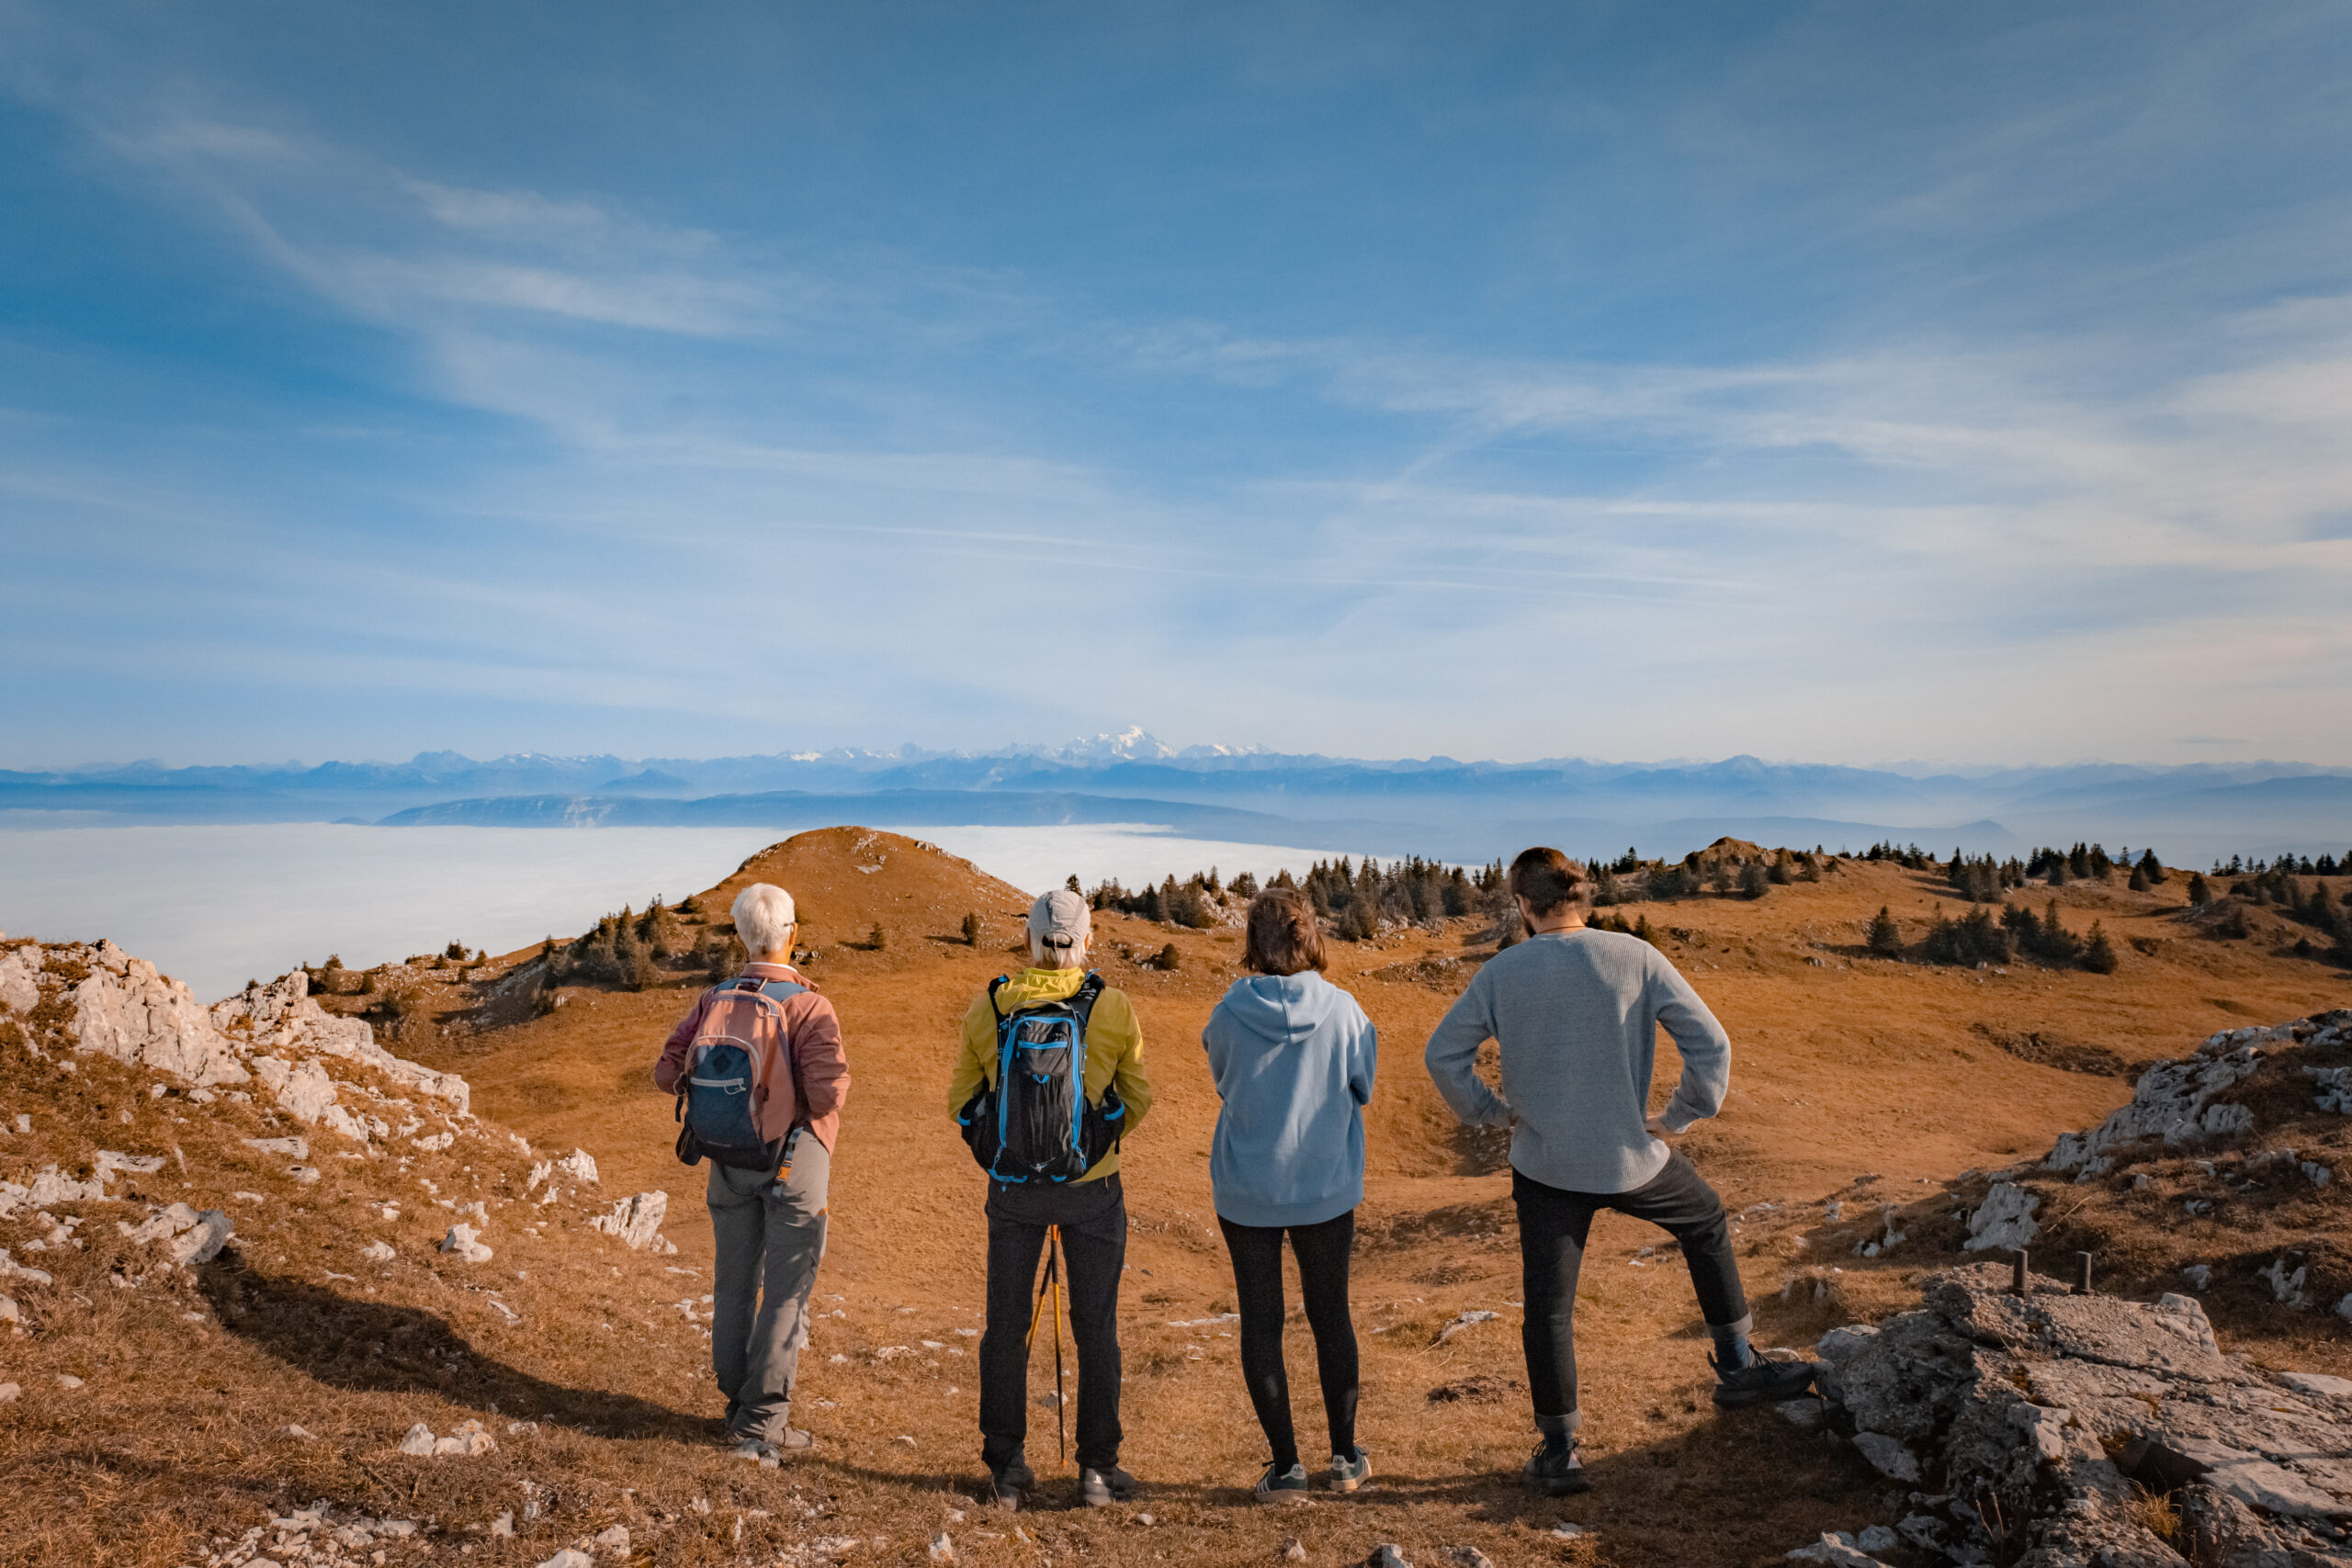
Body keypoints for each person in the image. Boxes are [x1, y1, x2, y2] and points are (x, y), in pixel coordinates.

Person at [1423, 848, 1811, 1496]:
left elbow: (1444, 1055)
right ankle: (1738, 1367)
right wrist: (1680, 1115)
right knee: (1706, 1218)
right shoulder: (1636, 956)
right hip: (1632, 1158)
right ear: (1583, 898)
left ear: (1522, 904)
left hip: (1545, 1164)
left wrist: (1491, 1113)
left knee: (1549, 1308)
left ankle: (1560, 1451)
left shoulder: (1503, 972)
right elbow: (1712, 1044)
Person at [949, 888, 1154, 1512]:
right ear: (1084, 941)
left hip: (1013, 1193)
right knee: (1098, 1330)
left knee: (1006, 1328)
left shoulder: (991, 1004)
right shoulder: (1112, 1007)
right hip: (1092, 1191)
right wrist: (1090, 1145)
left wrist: (1005, 1155)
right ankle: (1097, 1470)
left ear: (1030, 939)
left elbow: (961, 1101)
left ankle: (1006, 1466)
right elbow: (1137, 1097)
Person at [653, 882, 851, 1461]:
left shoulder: (715, 998)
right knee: (788, 1289)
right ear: (792, 935)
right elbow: (824, 1093)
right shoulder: (810, 1005)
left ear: (742, 935)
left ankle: (735, 1403)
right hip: (796, 1160)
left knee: (734, 1282)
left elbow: (667, 1073)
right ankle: (762, 1422)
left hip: (728, 1157)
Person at [1202, 887, 1377, 1505]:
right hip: (1325, 1186)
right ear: (1310, 937)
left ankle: (1286, 1469)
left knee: (1262, 1321)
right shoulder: (1345, 1010)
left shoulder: (1228, 1013)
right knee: (1332, 1315)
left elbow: (1224, 1079)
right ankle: (1347, 1457)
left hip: (1247, 1187)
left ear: (1253, 942)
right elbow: (1364, 1085)